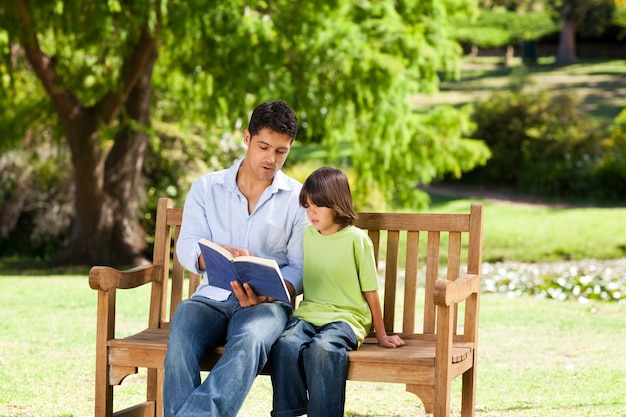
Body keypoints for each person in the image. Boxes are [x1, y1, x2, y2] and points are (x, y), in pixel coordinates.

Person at [163, 100, 309, 417]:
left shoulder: (298, 200)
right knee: (182, 332)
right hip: (211, 297)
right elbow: (186, 243)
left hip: (264, 304)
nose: (271, 159)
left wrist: (280, 287)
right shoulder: (206, 188)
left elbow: (299, 265)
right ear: (247, 138)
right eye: (263, 147)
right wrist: (211, 256)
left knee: (249, 341)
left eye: (281, 151)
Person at [270, 167, 405, 417]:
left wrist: (382, 334)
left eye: (318, 205)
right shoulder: (308, 235)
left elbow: (371, 290)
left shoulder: (357, 240)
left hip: (346, 319)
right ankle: (289, 412)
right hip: (310, 314)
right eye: (307, 205)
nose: (311, 212)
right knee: (286, 344)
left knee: (322, 349)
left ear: (336, 204)